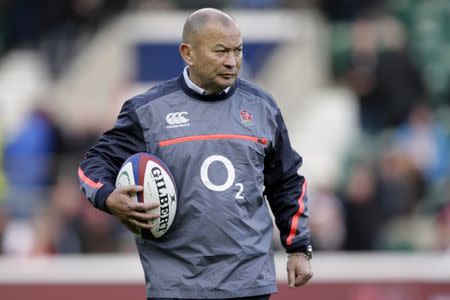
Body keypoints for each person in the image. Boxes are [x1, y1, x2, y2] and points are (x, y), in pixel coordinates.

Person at [78, 8, 312, 299]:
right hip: (176, 284)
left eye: (238, 50)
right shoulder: (147, 111)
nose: (232, 61)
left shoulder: (262, 107)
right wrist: (108, 197)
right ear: (188, 53)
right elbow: (94, 164)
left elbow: (286, 180)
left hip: (248, 281)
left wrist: (299, 248)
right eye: (221, 51)